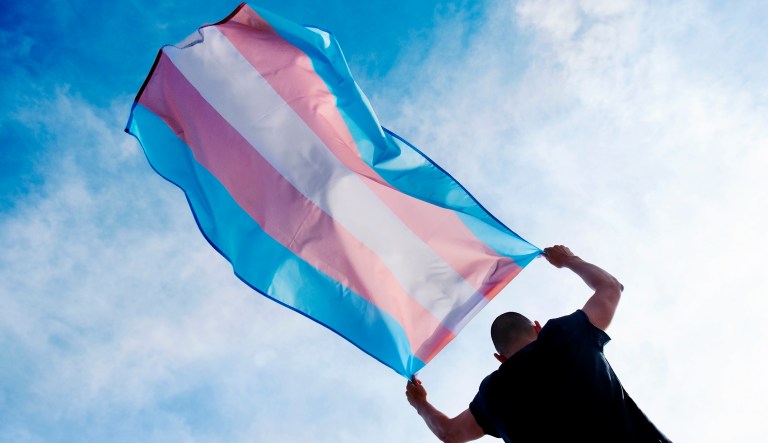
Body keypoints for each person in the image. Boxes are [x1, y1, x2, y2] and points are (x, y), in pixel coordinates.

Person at [405, 245, 670, 442]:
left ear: (500, 358)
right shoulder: (566, 333)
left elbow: (449, 433)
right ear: (537, 327)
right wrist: (569, 260)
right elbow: (611, 288)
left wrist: (420, 404)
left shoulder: (493, 395)